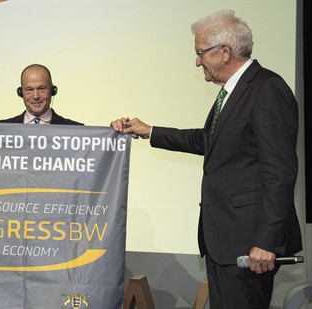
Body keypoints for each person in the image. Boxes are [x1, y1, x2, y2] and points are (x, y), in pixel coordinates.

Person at [111, 10, 302, 308]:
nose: (197, 61)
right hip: (223, 243)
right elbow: (207, 141)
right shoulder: (232, 92)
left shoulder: (266, 89)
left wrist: (266, 241)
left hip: (249, 245)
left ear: (224, 52)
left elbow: (280, 173)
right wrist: (149, 131)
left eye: (200, 53)